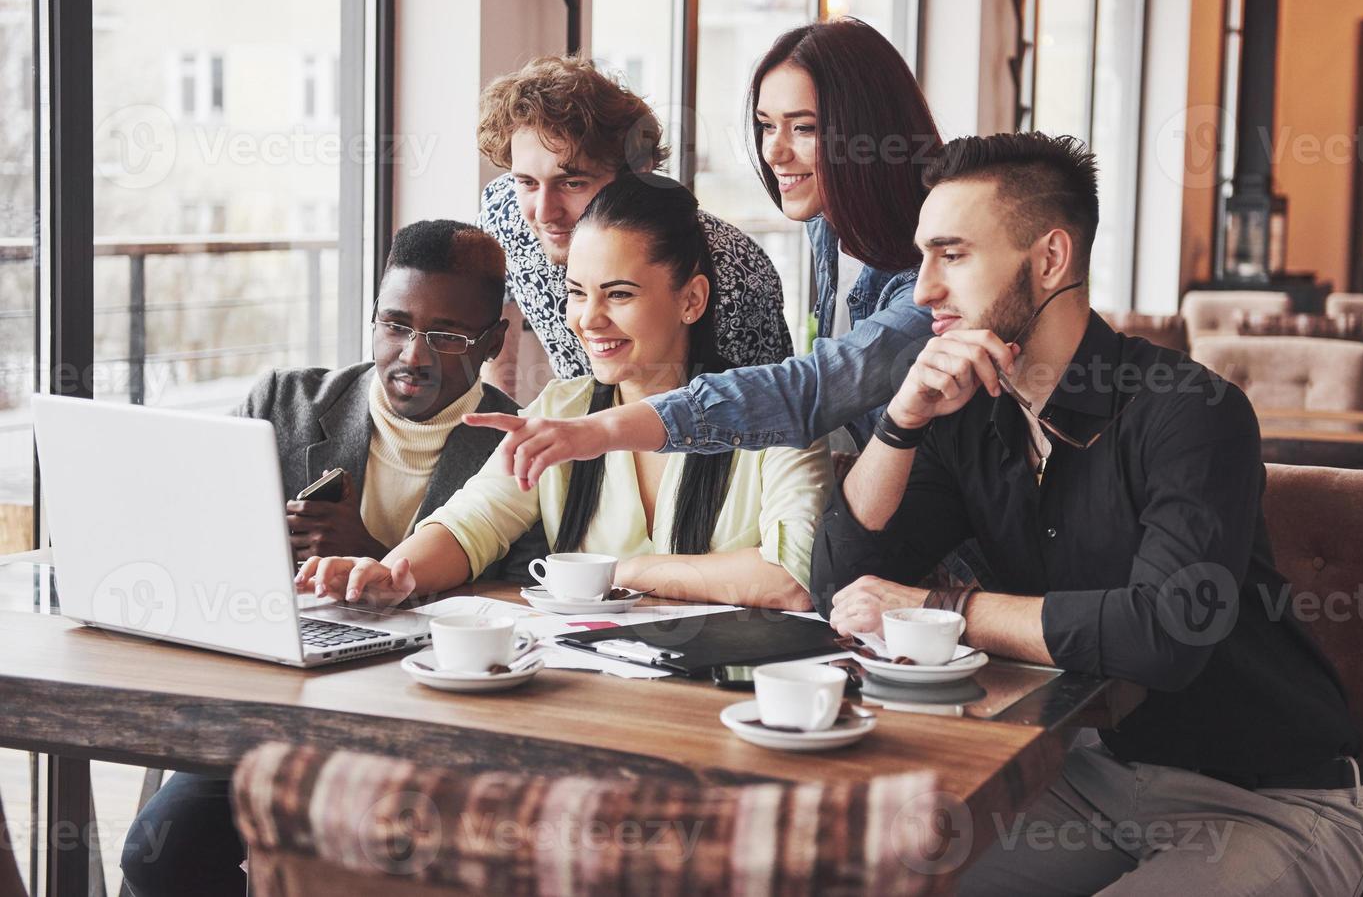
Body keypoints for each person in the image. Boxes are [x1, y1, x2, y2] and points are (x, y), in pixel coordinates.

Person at [813, 132, 1363, 896]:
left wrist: (940, 608)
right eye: (923, 256)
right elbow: (842, 589)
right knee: (862, 878)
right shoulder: (965, 415)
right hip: (1086, 780)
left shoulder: (1191, 411)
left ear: (1049, 258)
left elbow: (1164, 634)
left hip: (1266, 801)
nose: (921, 291)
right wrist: (901, 420)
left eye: (952, 254)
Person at [120, 220, 544, 897]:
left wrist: (371, 559)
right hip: (273, 708)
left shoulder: (521, 449)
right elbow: (185, 536)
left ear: (493, 341)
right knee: (156, 853)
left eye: (446, 335)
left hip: (433, 731)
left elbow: (521, 612)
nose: (412, 353)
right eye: (395, 324)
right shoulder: (285, 405)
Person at [301, 174, 832, 612]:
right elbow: (473, 522)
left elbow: (792, 578)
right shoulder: (562, 409)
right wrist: (393, 573)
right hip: (587, 691)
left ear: (691, 299)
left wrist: (620, 573)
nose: (589, 319)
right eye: (577, 293)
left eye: (619, 294)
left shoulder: (776, 416)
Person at [468, 19, 948, 487]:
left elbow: (799, 399)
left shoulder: (933, 279)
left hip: (887, 524)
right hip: (579, 462)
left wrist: (602, 430)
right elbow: (498, 317)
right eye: (766, 125)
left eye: (803, 128)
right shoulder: (829, 221)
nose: (774, 152)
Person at [476, 54, 792, 381]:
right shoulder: (505, 211)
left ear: (638, 172)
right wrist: (501, 419)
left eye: (572, 183)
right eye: (527, 182)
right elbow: (495, 312)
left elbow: (773, 408)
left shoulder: (735, 273)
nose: (544, 212)